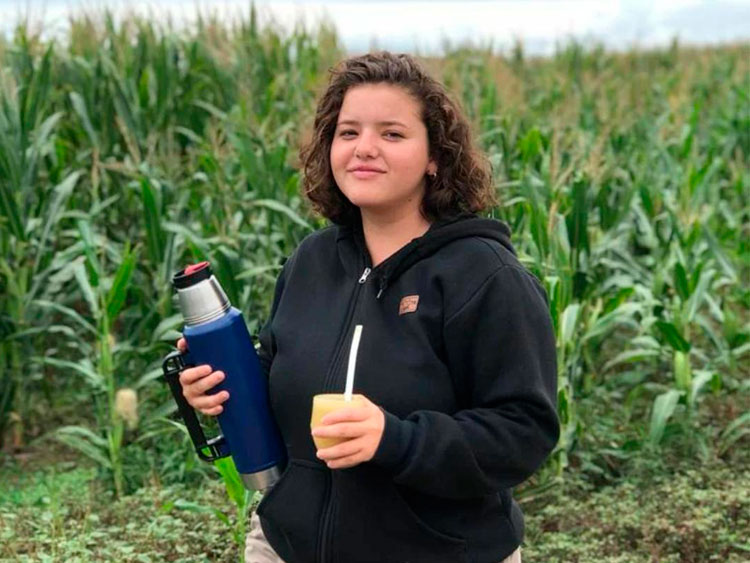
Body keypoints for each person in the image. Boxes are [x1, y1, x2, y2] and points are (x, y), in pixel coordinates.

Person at [177, 51, 559, 563]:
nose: (365, 149)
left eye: (392, 134)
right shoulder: (312, 259)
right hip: (287, 547)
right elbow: (282, 365)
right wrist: (223, 383)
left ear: (435, 157)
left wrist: (397, 440)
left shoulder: (483, 276)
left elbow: (524, 430)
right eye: (348, 132)